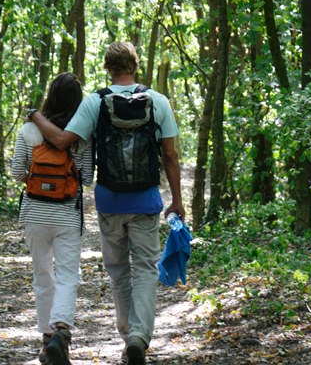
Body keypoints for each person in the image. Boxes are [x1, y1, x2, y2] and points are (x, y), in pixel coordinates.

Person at [29, 42, 184, 365]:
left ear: (107, 67)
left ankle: (128, 332)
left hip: (109, 200)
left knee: (118, 271)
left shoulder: (96, 102)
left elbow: (60, 141)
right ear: (135, 65)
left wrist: (34, 116)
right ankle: (138, 338)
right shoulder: (158, 102)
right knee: (144, 268)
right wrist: (177, 202)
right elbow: (170, 155)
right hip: (146, 201)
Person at [11, 73, 93, 365]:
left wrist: (38, 181)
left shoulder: (29, 130)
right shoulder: (81, 135)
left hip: (35, 213)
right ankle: (61, 331)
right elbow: (88, 178)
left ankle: (47, 341)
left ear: (50, 95)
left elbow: (17, 172)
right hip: (68, 215)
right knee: (69, 275)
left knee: (43, 276)